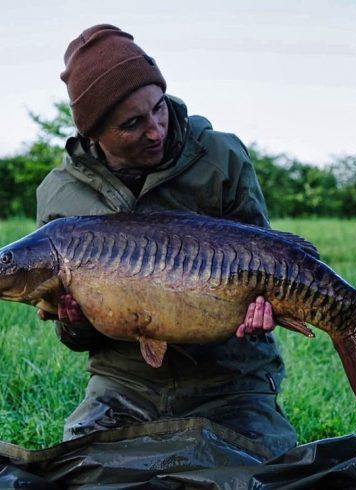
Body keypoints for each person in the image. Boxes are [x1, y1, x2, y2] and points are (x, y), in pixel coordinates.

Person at [36, 24, 297, 459]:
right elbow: (77, 338)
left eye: (158, 109)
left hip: (229, 380)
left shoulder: (221, 158)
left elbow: (266, 261)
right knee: (82, 474)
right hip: (124, 384)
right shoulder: (60, 197)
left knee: (257, 476)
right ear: (94, 133)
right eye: (132, 124)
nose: (155, 131)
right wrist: (74, 322)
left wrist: (262, 310)